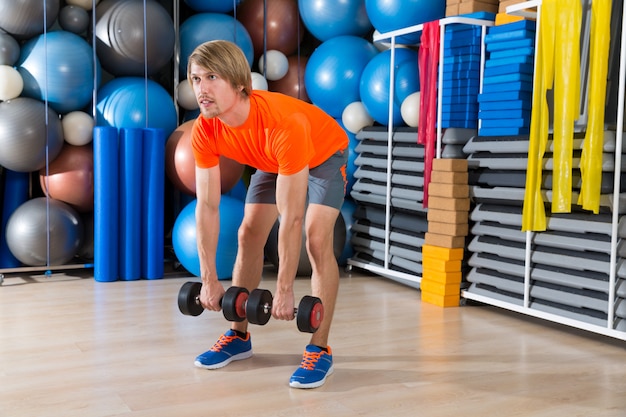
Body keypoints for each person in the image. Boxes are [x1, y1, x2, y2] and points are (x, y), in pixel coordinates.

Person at [187, 40, 349, 389]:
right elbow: (207, 205)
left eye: (212, 77)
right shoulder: (205, 128)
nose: (202, 89)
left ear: (238, 81)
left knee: (316, 239)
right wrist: (208, 279)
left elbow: (290, 217)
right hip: (272, 159)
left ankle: (319, 348)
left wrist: (285, 289)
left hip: (320, 154)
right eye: (196, 79)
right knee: (248, 234)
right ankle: (238, 336)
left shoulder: (283, 123)